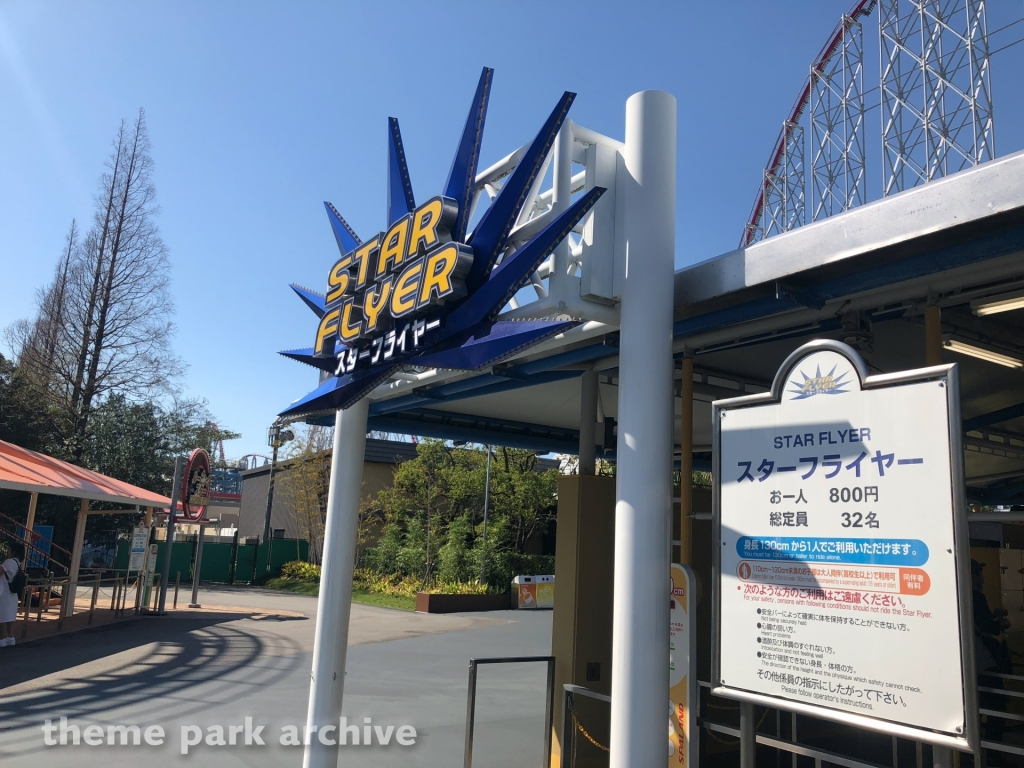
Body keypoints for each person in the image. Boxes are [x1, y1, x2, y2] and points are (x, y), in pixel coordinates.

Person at [973, 558, 1011, 755]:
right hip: (984, 660)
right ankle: (993, 753)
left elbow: (979, 620)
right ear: (973, 576)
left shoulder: (961, 595)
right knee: (998, 707)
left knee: (976, 707)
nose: (983, 577)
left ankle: (974, 753)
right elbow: (986, 627)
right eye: (980, 573)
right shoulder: (976, 596)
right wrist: (1001, 625)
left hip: (972, 663)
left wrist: (993, 615)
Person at [0, 541, 24, 647]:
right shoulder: (18, 563)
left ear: (14, 551)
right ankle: (11, 638)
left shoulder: (8, 562)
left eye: (9, 550)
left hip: (3, 593)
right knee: (10, 618)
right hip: (13, 595)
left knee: (2, 618)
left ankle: (2, 639)